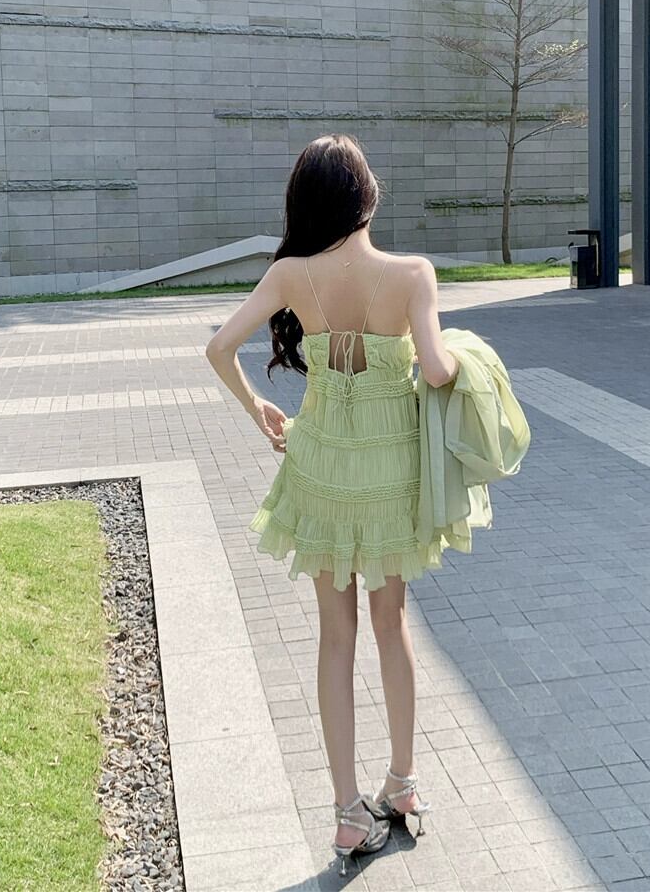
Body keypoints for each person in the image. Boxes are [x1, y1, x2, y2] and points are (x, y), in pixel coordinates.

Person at [205, 133, 459, 875]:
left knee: (334, 635)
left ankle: (349, 812)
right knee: (392, 624)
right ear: (366, 196)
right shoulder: (412, 274)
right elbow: (437, 370)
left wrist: (257, 407)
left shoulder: (291, 274)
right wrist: (461, 359)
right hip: (387, 476)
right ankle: (403, 784)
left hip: (318, 469)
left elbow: (219, 347)